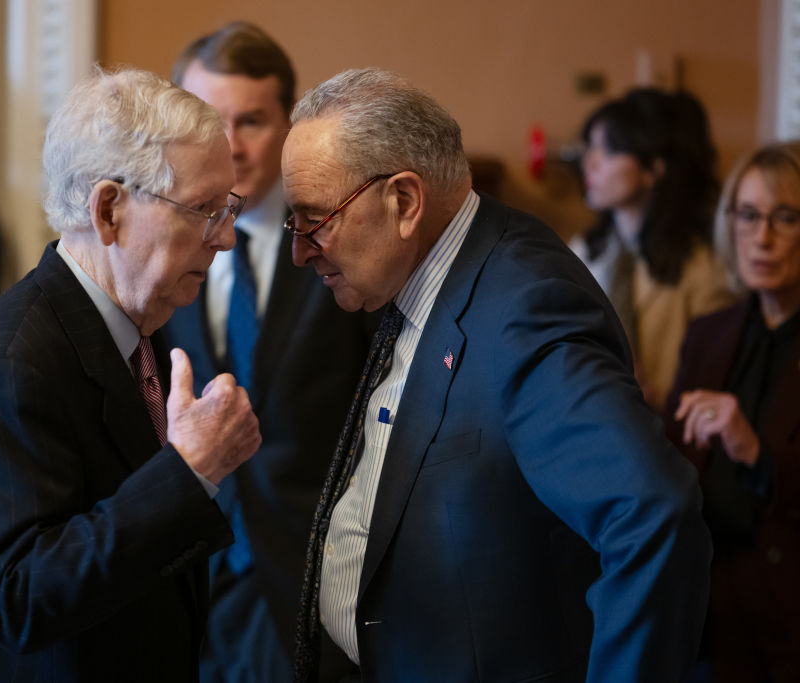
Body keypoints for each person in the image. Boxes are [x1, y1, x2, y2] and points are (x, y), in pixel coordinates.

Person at [285, 68, 712, 682]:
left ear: (403, 202)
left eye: (315, 219)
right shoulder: (428, 274)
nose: (300, 249)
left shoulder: (526, 310)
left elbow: (653, 516)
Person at [0, 66, 262, 681]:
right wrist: (189, 473)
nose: (227, 238)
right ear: (109, 211)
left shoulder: (139, 324)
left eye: (227, 207)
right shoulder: (9, 366)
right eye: (204, 209)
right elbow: (18, 598)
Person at [163, 21, 369, 682]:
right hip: (185, 571)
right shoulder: (154, 247)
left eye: (251, 120)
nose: (231, 145)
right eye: (208, 120)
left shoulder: (344, 236)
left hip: (311, 574)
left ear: (289, 120)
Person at [665, 140, 800, 683]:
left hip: (784, 608)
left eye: (785, 218)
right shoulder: (708, 334)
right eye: (748, 215)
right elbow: (672, 462)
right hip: (705, 606)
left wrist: (755, 453)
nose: (761, 238)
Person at [572, 88, 736, 409]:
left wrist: (651, 395)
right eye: (590, 148)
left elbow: (712, 387)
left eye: (606, 151)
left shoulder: (703, 269)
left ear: (652, 170)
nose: (589, 163)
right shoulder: (586, 251)